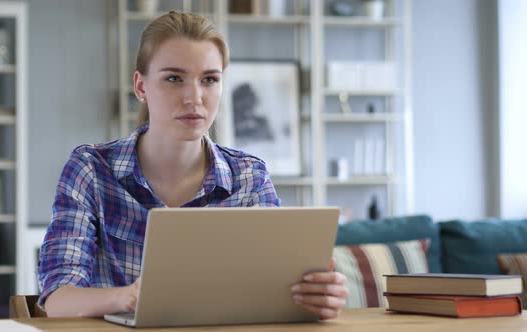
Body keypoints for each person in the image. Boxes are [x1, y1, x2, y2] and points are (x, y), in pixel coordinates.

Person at [38, 11, 348, 319]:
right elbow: (57, 300)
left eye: (210, 79)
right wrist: (128, 297)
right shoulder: (91, 169)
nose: (194, 98)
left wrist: (319, 297)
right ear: (141, 86)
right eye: (174, 78)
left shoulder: (249, 177)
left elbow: (274, 294)